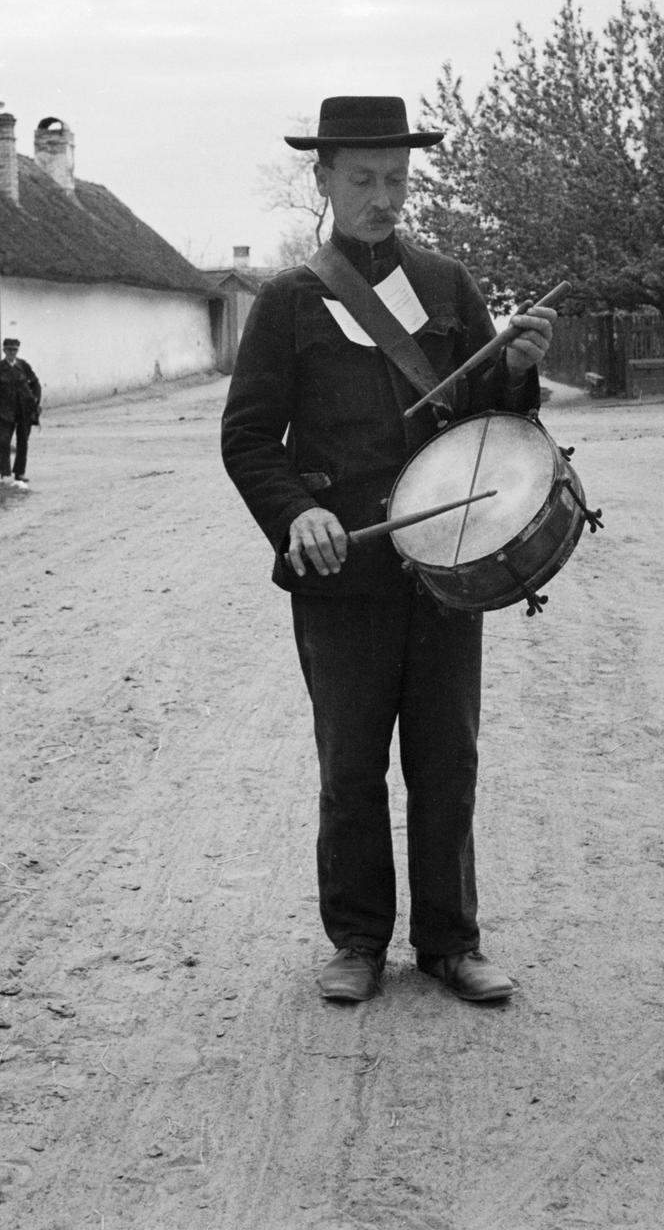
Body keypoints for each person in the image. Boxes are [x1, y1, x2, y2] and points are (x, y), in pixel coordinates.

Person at [221, 94, 553, 1006]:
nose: (381, 197)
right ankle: (359, 940)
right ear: (322, 178)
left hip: (446, 566)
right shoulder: (290, 301)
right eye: (362, 179)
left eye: (396, 179)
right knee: (351, 764)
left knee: (447, 760)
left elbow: (496, 422)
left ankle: (450, 943)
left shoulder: (447, 286)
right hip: (343, 572)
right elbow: (247, 439)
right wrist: (296, 516)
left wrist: (518, 373)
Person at [0, 337, 41, 482]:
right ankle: (2, 473)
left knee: (23, 442)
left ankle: (19, 473)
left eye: (14, 350)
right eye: (9, 350)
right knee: (3, 441)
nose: (12, 353)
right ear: (4, 350)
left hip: (24, 410)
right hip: (5, 411)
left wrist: (35, 401)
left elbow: (35, 383)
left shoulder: (23, 366)